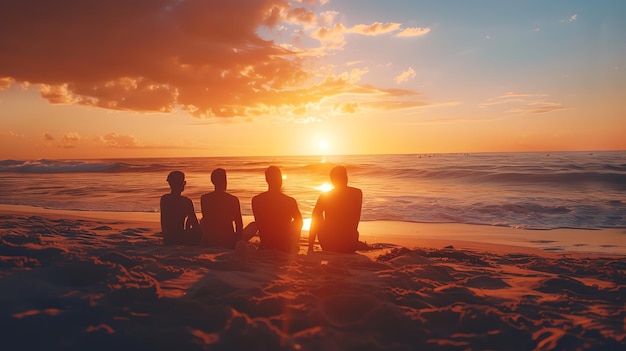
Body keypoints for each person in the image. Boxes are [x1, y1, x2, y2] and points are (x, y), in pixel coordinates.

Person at [308, 165, 362, 253]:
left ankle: (312, 244)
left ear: (332, 180)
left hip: (329, 244)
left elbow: (315, 218)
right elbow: (356, 217)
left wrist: (310, 246)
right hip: (350, 245)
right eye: (344, 176)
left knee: (317, 215)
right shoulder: (357, 193)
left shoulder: (325, 196)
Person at [252, 166, 303, 253]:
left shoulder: (256, 200)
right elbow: (300, 222)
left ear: (267, 180)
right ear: (281, 179)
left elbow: (259, 222)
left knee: (253, 225)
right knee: (297, 221)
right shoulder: (289, 201)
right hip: (284, 244)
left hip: (266, 243)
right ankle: (292, 245)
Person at [201, 168, 256, 248]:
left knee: (202, 221)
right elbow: (239, 223)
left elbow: (207, 221)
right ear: (225, 181)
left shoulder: (204, 198)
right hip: (228, 240)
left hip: (211, 240)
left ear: (213, 181)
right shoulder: (233, 199)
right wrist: (238, 240)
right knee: (254, 225)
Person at [160, 170, 203, 245]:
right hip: (180, 238)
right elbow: (195, 224)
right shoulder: (186, 201)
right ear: (181, 183)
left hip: (167, 238)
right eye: (184, 182)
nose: (184, 184)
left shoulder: (164, 199)